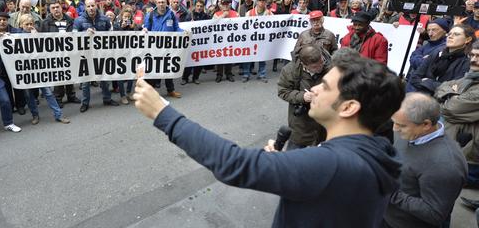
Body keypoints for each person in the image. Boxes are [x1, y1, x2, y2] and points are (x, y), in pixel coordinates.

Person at [132, 55, 405, 227]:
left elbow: (234, 164)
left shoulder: (333, 164)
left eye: (325, 86)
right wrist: (290, 167)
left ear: (348, 108)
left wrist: (162, 113)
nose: (314, 89)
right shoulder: (376, 151)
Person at [383, 93, 466, 228]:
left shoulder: (446, 165)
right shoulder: (409, 130)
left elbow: (435, 214)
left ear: (426, 124)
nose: (395, 129)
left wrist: (391, 192)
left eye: (401, 125)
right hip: (385, 214)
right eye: (394, 123)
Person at [436, 41, 479, 193]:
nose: (474, 60)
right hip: (449, 146)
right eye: (472, 55)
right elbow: (441, 87)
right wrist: (452, 96)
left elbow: (452, 109)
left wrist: (448, 98)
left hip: (467, 156)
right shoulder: (469, 77)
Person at [17, 14, 71, 125]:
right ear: (21, 25)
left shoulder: (38, 34)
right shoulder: (16, 36)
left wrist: (37, 37)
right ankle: (35, 115)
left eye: (31, 24)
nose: (29, 26)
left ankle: (58, 115)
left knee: (48, 93)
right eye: (26, 24)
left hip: (39, 70)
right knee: (29, 95)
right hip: (26, 71)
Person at [278, 45, 330, 149]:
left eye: (321, 63)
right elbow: (283, 91)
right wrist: (302, 96)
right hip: (301, 122)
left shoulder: (331, 66)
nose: (320, 68)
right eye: (315, 67)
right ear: (304, 65)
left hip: (324, 120)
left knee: (321, 156)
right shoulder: (290, 70)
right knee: (293, 155)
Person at [73, 0, 120, 112]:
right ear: (85, 7)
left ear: (96, 6)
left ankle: (107, 99)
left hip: (101, 54)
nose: (91, 8)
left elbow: (111, 34)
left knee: (104, 78)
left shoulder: (104, 19)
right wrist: (85, 34)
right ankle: (85, 103)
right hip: (86, 54)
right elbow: (74, 37)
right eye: (88, 6)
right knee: (85, 81)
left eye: (92, 5)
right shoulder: (78, 20)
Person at [408, 24, 474, 94]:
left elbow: (453, 89)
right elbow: (414, 78)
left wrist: (427, 82)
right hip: (422, 96)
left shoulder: (468, 61)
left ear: (467, 39)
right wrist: (434, 85)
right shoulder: (436, 53)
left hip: (443, 102)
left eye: (456, 34)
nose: (450, 36)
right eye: (449, 34)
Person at [40, 0, 81, 106]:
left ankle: (71, 95)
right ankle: (58, 98)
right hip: (54, 54)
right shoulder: (45, 23)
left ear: (61, 7)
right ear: (49, 10)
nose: (55, 9)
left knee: (70, 74)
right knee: (58, 77)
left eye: (57, 7)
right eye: (53, 8)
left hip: (69, 53)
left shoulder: (71, 20)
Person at [143, 0, 183, 97]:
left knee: (168, 69)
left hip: (168, 47)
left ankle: (170, 90)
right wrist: (144, 30)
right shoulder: (150, 15)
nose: (161, 4)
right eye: (159, 2)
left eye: (163, 2)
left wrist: (184, 33)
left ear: (167, 3)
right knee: (153, 70)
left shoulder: (171, 15)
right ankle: (149, 92)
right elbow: (146, 28)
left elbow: (176, 28)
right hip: (154, 48)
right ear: (156, 3)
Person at [182, 0, 210, 85]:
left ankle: (195, 77)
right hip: (191, 42)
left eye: (201, 6)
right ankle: (185, 78)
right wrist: (189, 23)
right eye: (197, 6)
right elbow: (183, 25)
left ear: (203, 7)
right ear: (195, 6)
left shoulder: (206, 16)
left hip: (201, 43)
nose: (199, 8)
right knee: (189, 61)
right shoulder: (189, 15)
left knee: (199, 62)